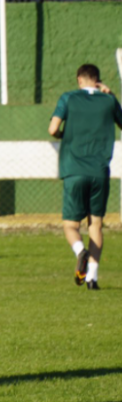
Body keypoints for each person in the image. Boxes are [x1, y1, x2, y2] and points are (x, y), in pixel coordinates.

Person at [48, 63, 122, 290]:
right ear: (97, 81)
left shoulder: (69, 98)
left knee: (71, 226)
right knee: (96, 225)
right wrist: (112, 96)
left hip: (74, 170)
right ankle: (92, 277)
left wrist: (64, 135)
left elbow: (52, 129)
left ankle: (80, 251)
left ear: (79, 80)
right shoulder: (108, 101)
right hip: (99, 172)